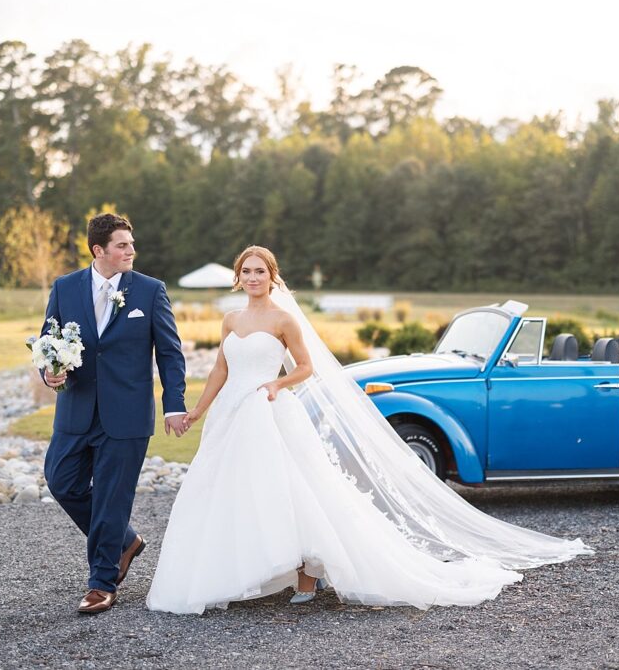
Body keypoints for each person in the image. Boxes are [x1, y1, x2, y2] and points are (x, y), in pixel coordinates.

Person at [146, 245, 590, 615]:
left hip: (270, 410)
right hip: (233, 415)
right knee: (234, 490)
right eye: (247, 271)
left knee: (294, 489)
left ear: (272, 276)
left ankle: (308, 572)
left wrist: (277, 384)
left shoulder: (283, 319)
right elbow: (221, 370)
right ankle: (240, 569)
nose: (253, 276)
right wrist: (196, 412)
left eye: (261, 270)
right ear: (238, 278)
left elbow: (305, 368)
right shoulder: (231, 321)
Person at [40, 213, 187, 614]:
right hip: (76, 409)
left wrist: (174, 404)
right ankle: (125, 541)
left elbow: (171, 354)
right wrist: (49, 373)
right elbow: (48, 341)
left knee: (110, 499)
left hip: (127, 416)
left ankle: (101, 583)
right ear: (98, 250)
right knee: (61, 480)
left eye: (131, 244)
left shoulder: (150, 291)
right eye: (122, 245)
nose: (131, 251)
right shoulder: (65, 288)